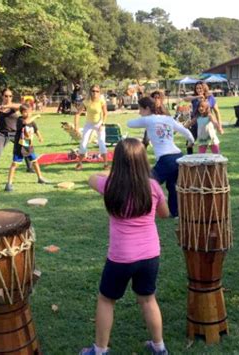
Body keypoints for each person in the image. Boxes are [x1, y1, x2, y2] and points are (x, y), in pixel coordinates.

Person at [81, 138, 170, 355]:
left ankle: (99, 350)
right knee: (148, 299)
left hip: (121, 257)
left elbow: (91, 178)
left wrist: (110, 174)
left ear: (118, 162)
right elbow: (165, 214)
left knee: (106, 299)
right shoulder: (153, 187)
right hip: (150, 255)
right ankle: (159, 347)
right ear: (143, 161)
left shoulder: (110, 185)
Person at [127, 97, 195, 218]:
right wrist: (191, 141)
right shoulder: (168, 119)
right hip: (178, 156)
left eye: (140, 109)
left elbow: (129, 124)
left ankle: (140, 210)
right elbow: (185, 131)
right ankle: (175, 213)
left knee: (146, 183)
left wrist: (146, 122)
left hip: (166, 159)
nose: (139, 112)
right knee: (172, 186)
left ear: (147, 108)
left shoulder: (148, 120)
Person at [0, 88, 32, 176]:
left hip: (16, 133)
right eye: (6, 96)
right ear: (2, 96)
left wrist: (7, 106)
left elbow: (22, 106)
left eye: (10, 96)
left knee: (26, 147)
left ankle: (30, 168)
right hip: (2, 134)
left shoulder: (14, 107)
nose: (8, 98)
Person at [4, 104, 47, 192]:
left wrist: (40, 137)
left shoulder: (32, 122)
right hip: (20, 147)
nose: (27, 114)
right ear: (22, 113)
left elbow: (36, 129)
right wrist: (35, 116)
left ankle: (40, 178)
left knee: (35, 161)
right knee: (14, 164)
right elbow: (26, 122)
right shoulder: (20, 120)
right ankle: (9, 184)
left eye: (29, 112)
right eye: (25, 112)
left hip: (29, 146)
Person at [74, 85, 108, 170]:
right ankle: (79, 163)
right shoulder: (86, 101)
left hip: (99, 123)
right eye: (93, 91)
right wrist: (76, 127)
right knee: (83, 143)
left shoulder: (101, 100)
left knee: (101, 142)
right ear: (90, 92)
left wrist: (103, 124)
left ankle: (106, 164)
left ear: (99, 92)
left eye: (97, 91)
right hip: (89, 124)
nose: (95, 93)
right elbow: (77, 114)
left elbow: (105, 113)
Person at [183, 82, 223, 154]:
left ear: (204, 88)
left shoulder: (210, 97)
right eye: (197, 88)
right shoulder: (194, 98)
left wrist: (219, 126)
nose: (199, 90)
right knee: (189, 143)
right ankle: (189, 160)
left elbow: (217, 112)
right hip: (195, 123)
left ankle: (217, 158)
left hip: (207, 124)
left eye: (200, 88)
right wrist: (197, 97)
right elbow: (185, 99)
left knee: (212, 144)